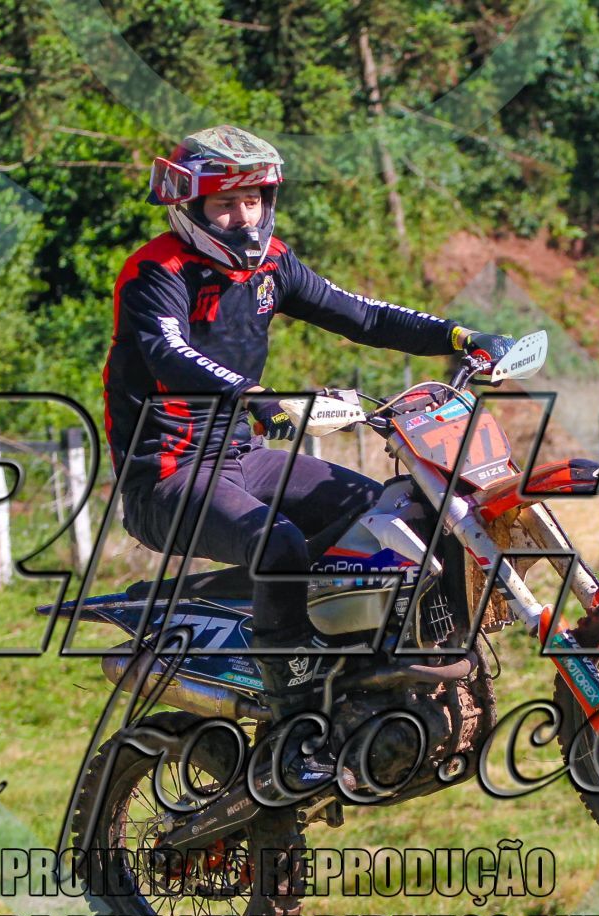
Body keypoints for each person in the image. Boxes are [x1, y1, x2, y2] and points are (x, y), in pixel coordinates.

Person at [101, 124, 514, 723]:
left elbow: (363, 315)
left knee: (384, 513)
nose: (244, 217)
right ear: (189, 207)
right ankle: (291, 694)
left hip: (240, 457)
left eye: (252, 200)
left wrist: (459, 335)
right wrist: (253, 394)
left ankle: (364, 664)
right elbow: (168, 352)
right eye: (224, 203)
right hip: (167, 474)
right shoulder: (155, 271)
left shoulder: (273, 263)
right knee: (278, 542)